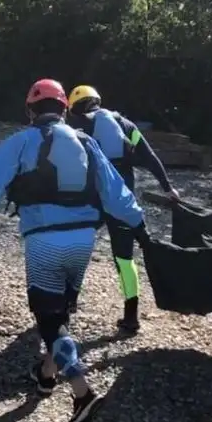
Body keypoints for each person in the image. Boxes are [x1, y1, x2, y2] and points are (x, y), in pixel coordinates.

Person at [0, 78, 149, 422]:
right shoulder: (86, 142)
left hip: (45, 238)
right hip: (84, 238)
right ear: (64, 110)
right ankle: (46, 375)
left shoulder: (22, 141)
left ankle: (82, 392)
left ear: (30, 111)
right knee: (61, 310)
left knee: (48, 319)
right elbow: (115, 190)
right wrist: (139, 224)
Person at [66, 84, 179, 335]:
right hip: (123, 199)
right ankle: (131, 316)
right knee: (125, 259)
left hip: (92, 199)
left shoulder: (78, 127)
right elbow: (149, 157)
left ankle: (69, 302)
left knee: (77, 246)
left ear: (74, 107)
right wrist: (168, 188)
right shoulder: (126, 125)